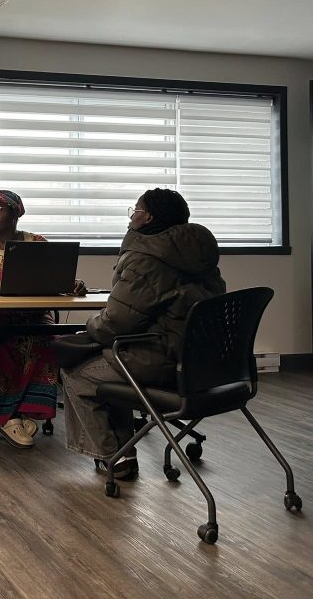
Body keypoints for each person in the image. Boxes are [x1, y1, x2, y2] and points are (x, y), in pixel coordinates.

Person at [59, 188, 225, 479]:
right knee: (107, 358)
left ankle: (114, 457)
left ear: (147, 218)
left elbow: (114, 324)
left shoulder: (147, 259)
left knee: (77, 372)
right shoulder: (200, 255)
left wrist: (89, 325)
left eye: (135, 210)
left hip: (160, 362)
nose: (131, 217)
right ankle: (124, 450)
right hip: (205, 365)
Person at [0, 190, 85, 449]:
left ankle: (26, 412)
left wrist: (73, 284)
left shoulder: (38, 244)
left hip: (33, 318)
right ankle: (5, 416)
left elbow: (54, 281)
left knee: (48, 342)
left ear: (16, 213)